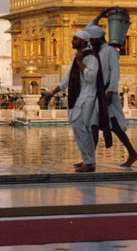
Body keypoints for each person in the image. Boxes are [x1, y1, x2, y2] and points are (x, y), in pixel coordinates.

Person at [44, 31, 110, 173]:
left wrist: (80, 62)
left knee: (82, 127)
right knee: (77, 127)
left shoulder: (90, 56)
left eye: (75, 39)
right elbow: (67, 79)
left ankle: (90, 162)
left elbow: (91, 76)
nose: (72, 41)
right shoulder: (77, 56)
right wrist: (52, 92)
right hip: (78, 96)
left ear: (83, 41)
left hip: (88, 96)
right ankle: (87, 160)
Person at [86, 11, 137, 167]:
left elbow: (114, 72)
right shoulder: (98, 51)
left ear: (98, 39)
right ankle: (90, 159)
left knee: (104, 126)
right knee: (97, 126)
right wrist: (99, 15)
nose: (90, 43)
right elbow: (88, 28)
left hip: (106, 94)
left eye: (92, 40)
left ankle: (131, 153)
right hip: (97, 94)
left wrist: (111, 91)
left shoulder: (109, 51)